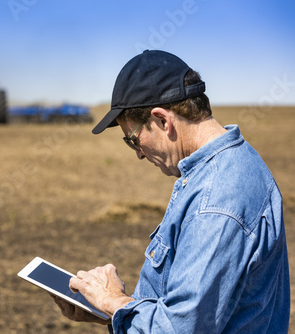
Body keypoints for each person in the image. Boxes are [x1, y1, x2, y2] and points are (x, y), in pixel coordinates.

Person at [51, 50, 290, 333]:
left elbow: (177, 328)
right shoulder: (229, 166)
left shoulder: (216, 200)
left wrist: (113, 300)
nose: (138, 154)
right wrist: (109, 313)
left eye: (133, 139)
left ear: (163, 120)